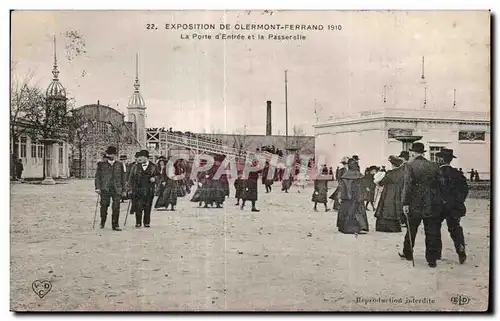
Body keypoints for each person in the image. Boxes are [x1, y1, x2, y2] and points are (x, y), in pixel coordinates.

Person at [400, 142, 442, 268]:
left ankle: (408, 252)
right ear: (423, 152)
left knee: (411, 228)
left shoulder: (410, 165)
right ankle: (432, 259)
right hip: (431, 203)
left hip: (415, 202)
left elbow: (407, 186)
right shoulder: (434, 165)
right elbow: (439, 185)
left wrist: (405, 203)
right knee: (431, 231)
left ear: (413, 152)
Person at [436, 149, 468, 264]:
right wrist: (457, 202)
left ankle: (436, 253)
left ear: (441, 159)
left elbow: (433, 191)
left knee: (435, 229)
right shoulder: (458, 174)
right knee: (455, 228)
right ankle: (460, 248)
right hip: (454, 207)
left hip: (439, 207)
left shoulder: (436, 173)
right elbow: (464, 191)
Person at [94, 146, 126, 231]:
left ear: (115, 155)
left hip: (116, 188)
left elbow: (123, 177)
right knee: (104, 206)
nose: (110, 155)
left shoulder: (119, 164)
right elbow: (97, 177)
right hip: (105, 188)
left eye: (112, 154)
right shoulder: (101, 164)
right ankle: (102, 221)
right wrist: (97, 187)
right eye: (108, 154)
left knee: (116, 207)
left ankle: (115, 225)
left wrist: (124, 190)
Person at [336, 158, 369, 234]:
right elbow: (362, 187)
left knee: (347, 211)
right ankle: (359, 227)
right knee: (357, 212)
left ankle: (345, 227)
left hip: (347, 198)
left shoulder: (345, 176)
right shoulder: (359, 176)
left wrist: (341, 197)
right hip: (357, 197)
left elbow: (343, 188)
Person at [374, 156, 404, 233]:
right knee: (395, 208)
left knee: (386, 208)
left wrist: (377, 181)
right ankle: (395, 227)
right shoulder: (402, 173)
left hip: (388, 192)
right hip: (398, 192)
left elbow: (381, 182)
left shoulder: (390, 173)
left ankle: (384, 227)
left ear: (392, 164)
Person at [128, 149, 157, 228]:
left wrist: (155, 179)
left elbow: (160, 176)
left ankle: (147, 222)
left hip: (149, 190)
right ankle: (138, 222)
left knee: (148, 206)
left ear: (146, 157)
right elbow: (131, 178)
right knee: (138, 206)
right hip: (137, 189)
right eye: (139, 157)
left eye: (141, 156)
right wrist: (130, 189)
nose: (140, 158)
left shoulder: (153, 166)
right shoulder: (135, 166)